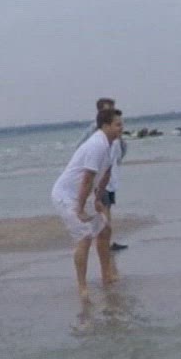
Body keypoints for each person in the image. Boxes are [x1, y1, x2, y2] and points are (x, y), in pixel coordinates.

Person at [53, 107, 122, 297]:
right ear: (106, 126)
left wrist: (98, 199)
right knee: (84, 236)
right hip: (66, 195)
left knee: (104, 229)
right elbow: (87, 179)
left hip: (84, 194)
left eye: (121, 124)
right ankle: (82, 287)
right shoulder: (96, 145)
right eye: (117, 125)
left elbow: (106, 174)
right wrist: (81, 208)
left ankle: (106, 275)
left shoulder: (112, 144)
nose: (121, 128)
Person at [82, 97, 129, 251]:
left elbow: (121, 149)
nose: (112, 112)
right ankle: (104, 243)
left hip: (111, 177)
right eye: (108, 109)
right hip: (100, 178)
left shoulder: (114, 129)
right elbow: (81, 149)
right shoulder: (94, 130)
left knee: (108, 208)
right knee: (103, 210)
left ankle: (107, 241)